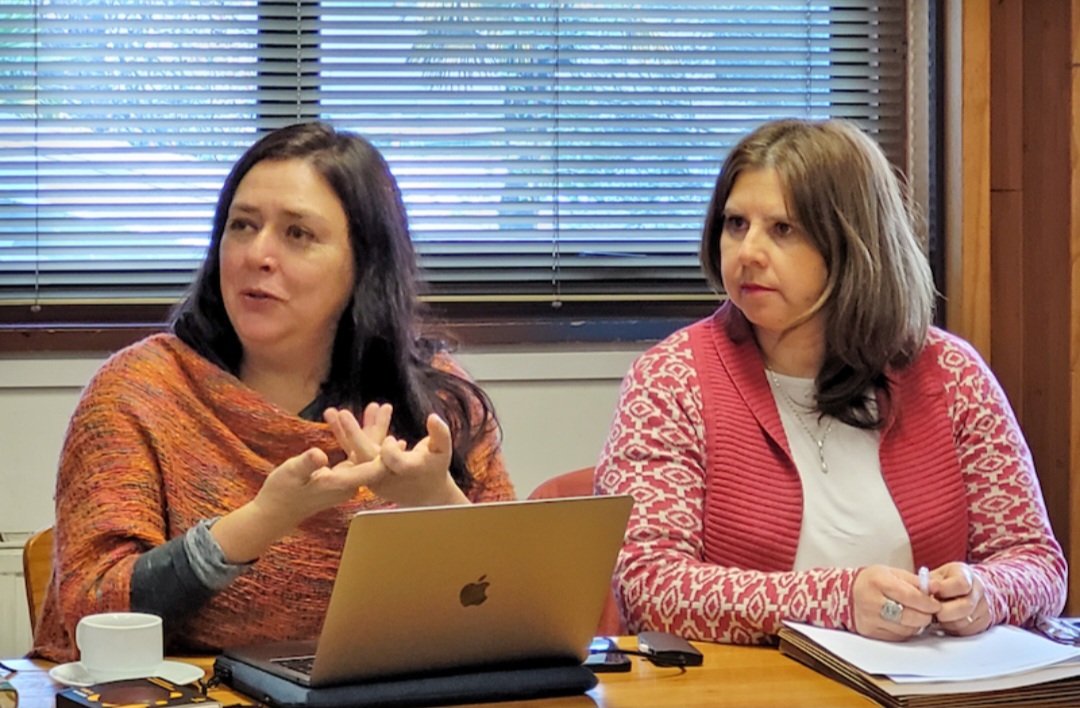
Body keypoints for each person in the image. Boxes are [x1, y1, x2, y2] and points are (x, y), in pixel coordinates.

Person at [33, 122, 515, 662]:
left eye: (297, 234)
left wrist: (437, 501)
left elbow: (525, 610)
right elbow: (90, 610)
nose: (256, 254)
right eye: (242, 226)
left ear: (363, 265)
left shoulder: (436, 402)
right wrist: (263, 520)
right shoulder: (139, 391)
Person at [594, 118, 1066, 645]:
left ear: (853, 243)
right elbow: (648, 585)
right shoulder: (671, 379)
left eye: (783, 229)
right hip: (751, 682)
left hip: (926, 679)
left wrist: (987, 593)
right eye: (736, 224)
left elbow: (1036, 562)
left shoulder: (950, 372)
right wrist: (837, 601)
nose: (748, 253)